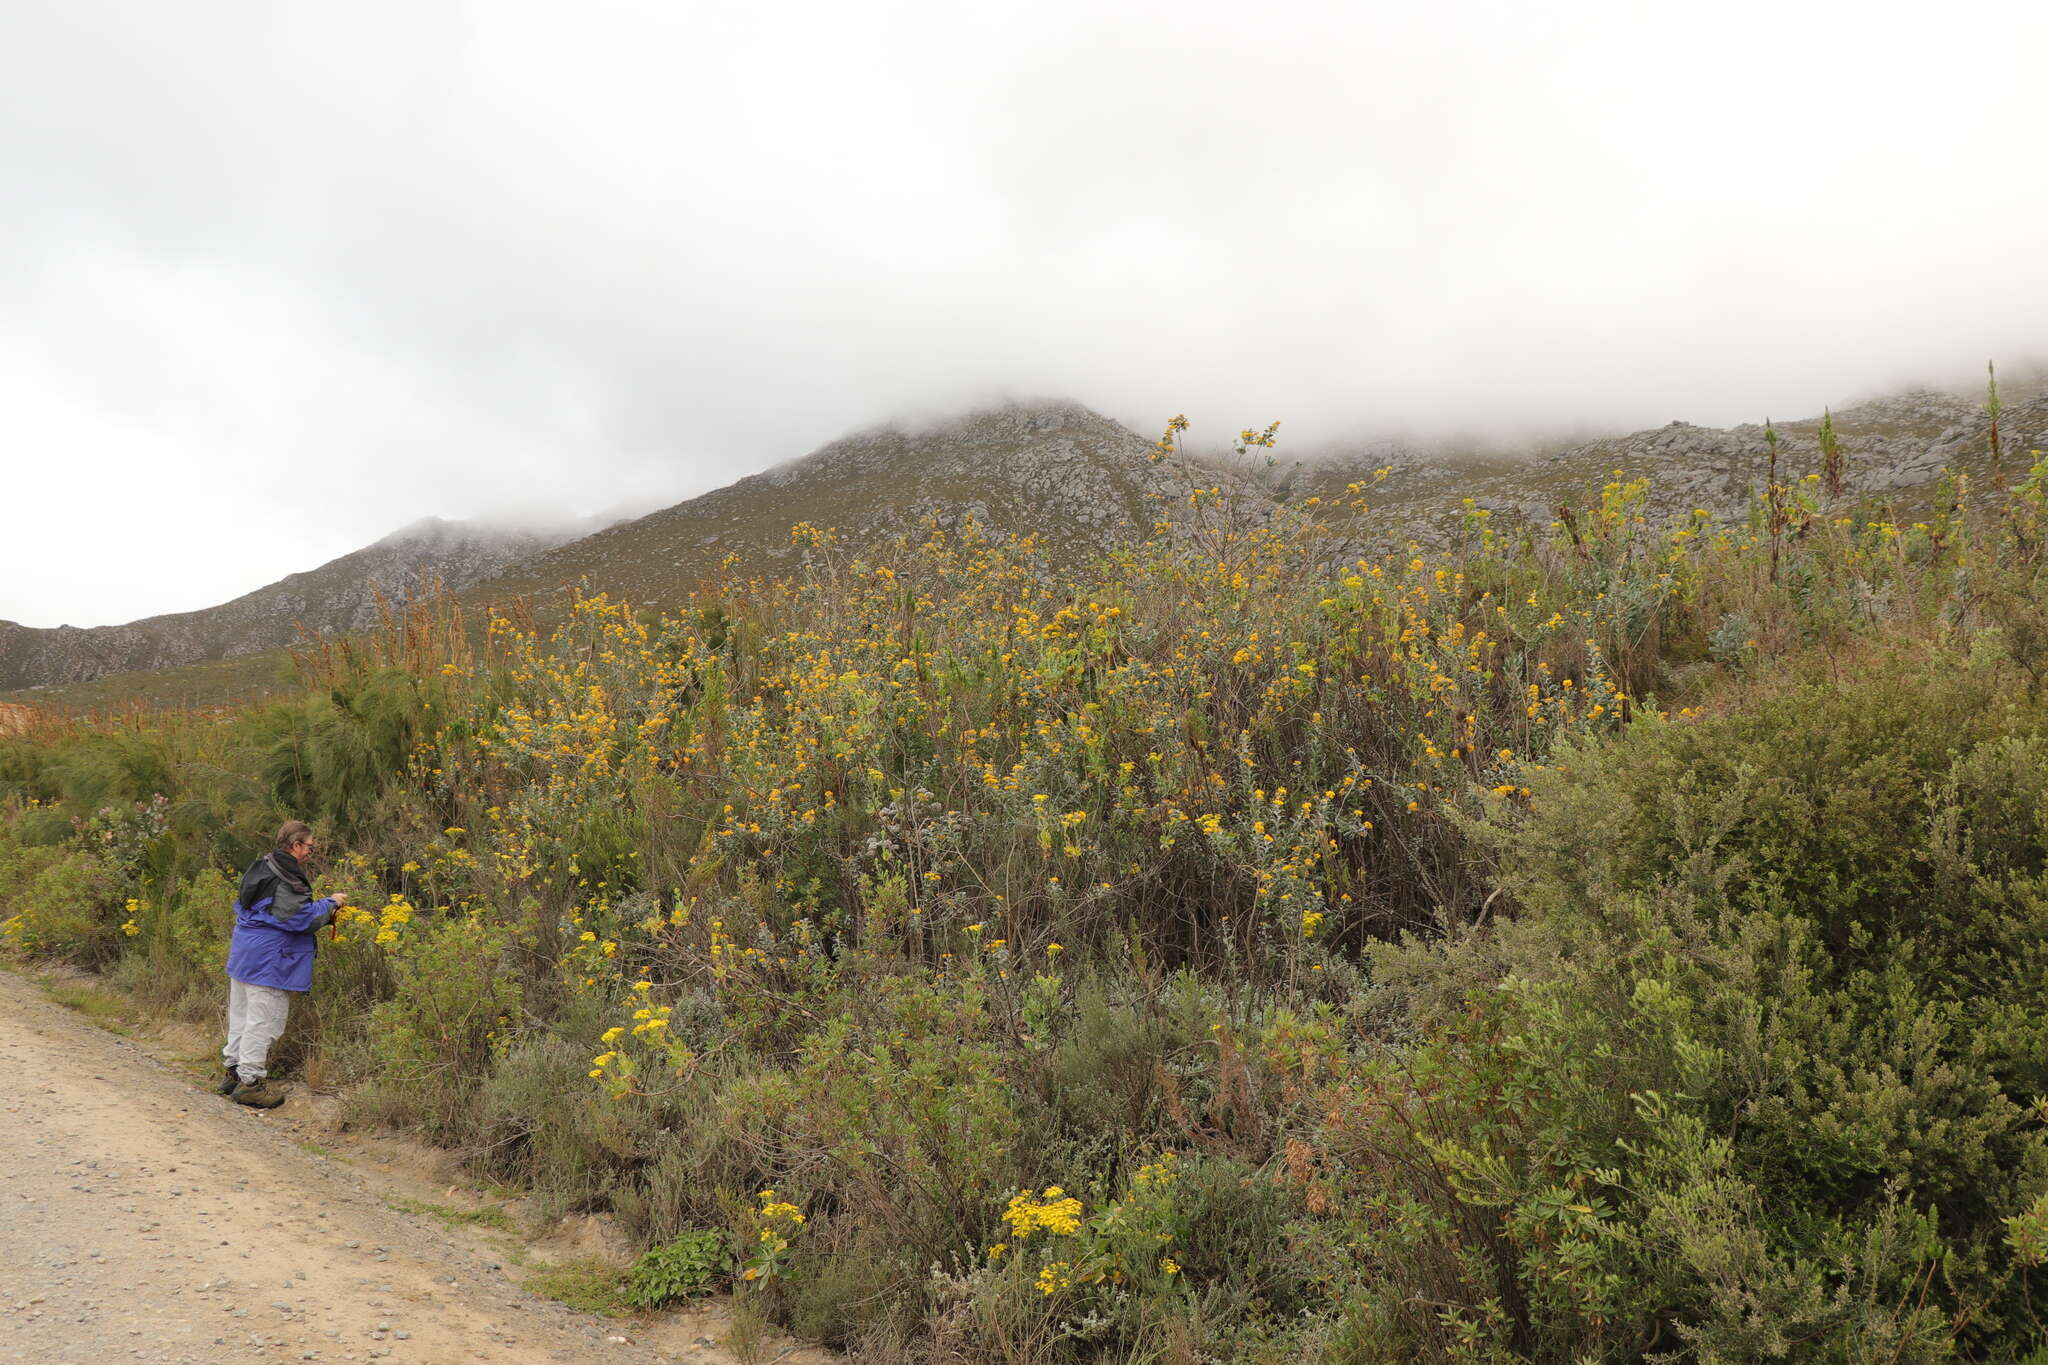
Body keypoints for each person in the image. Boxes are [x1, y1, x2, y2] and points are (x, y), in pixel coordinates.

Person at [217, 820, 347, 1108]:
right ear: (296, 845)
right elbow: (301, 919)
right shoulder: (288, 879)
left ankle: (233, 1073)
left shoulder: (261, 867)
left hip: (245, 953)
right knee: (264, 1021)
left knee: (241, 1016)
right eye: (310, 847)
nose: (311, 853)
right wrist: (331, 903)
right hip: (270, 960)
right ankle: (250, 1084)